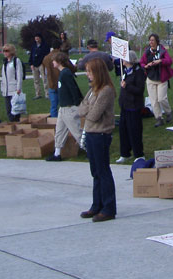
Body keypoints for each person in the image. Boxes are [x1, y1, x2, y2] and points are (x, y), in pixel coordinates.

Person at [78, 57, 116, 222]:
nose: (87, 74)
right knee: (95, 172)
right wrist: (87, 108)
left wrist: (87, 109)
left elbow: (93, 115)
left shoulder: (106, 90)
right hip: (91, 134)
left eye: (90, 71)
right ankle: (96, 205)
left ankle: (108, 207)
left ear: (98, 72)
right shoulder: (92, 90)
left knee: (103, 171)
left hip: (101, 134)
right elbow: (81, 109)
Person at [47, 52, 83, 162]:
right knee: (59, 131)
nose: (52, 62)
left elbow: (73, 88)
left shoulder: (66, 73)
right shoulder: (62, 73)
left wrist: (76, 103)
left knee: (76, 131)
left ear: (59, 62)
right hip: (62, 108)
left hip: (69, 107)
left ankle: (90, 150)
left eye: (54, 61)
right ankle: (57, 153)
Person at [117, 50, 145, 163]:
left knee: (135, 130)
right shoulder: (125, 71)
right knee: (123, 130)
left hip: (134, 106)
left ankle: (138, 154)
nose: (122, 61)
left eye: (124, 59)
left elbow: (139, 90)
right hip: (125, 105)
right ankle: (125, 153)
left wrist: (127, 86)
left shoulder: (139, 72)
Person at [140, 33, 173, 127]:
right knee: (153, 100)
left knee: (162, 98)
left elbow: (169, 61)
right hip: (151, 78)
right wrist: (145, 66)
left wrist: (160, 61)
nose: (151, 42)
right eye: (150, 40)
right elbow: (141, 62)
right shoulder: (147, 51)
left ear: (157, 41)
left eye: (152, 40)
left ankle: (168, 112)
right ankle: (159, 118)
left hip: (161, 78)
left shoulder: (162, 50)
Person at [42, 39, 77, 118]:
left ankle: (54, 122)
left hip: (51, 83)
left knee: (53, 106)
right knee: (65, 105)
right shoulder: (61, 56)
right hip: (62, 83)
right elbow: (72, 68)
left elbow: (44, 71)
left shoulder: (46, 58)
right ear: (60, 46)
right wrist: (75, 67)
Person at [0, 44, 23, 122]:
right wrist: (2, 88)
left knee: (16, 109)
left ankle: (16, 124)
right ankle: (12, 124)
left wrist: (18, 88)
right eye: (4, 51)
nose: (5, 53)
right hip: (6, 90)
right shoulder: (5, 62)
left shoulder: (16, 61)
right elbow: (3, 76)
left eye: (7, 51)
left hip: (14, 89)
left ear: (11, 51)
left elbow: (19, 75)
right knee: (8, 110)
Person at [29, 33, 50, 100]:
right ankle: (38, 94)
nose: (36, 39)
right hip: (34, 65)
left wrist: (44, 63)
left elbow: (47, 55)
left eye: (37, 38)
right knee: (36, 80)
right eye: (35, 38)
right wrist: (31, 64)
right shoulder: (33, 46)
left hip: (42, 64)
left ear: (40, 38)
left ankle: (47, 94)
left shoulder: (45, 46)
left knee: (45, 79)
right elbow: (31, 55)